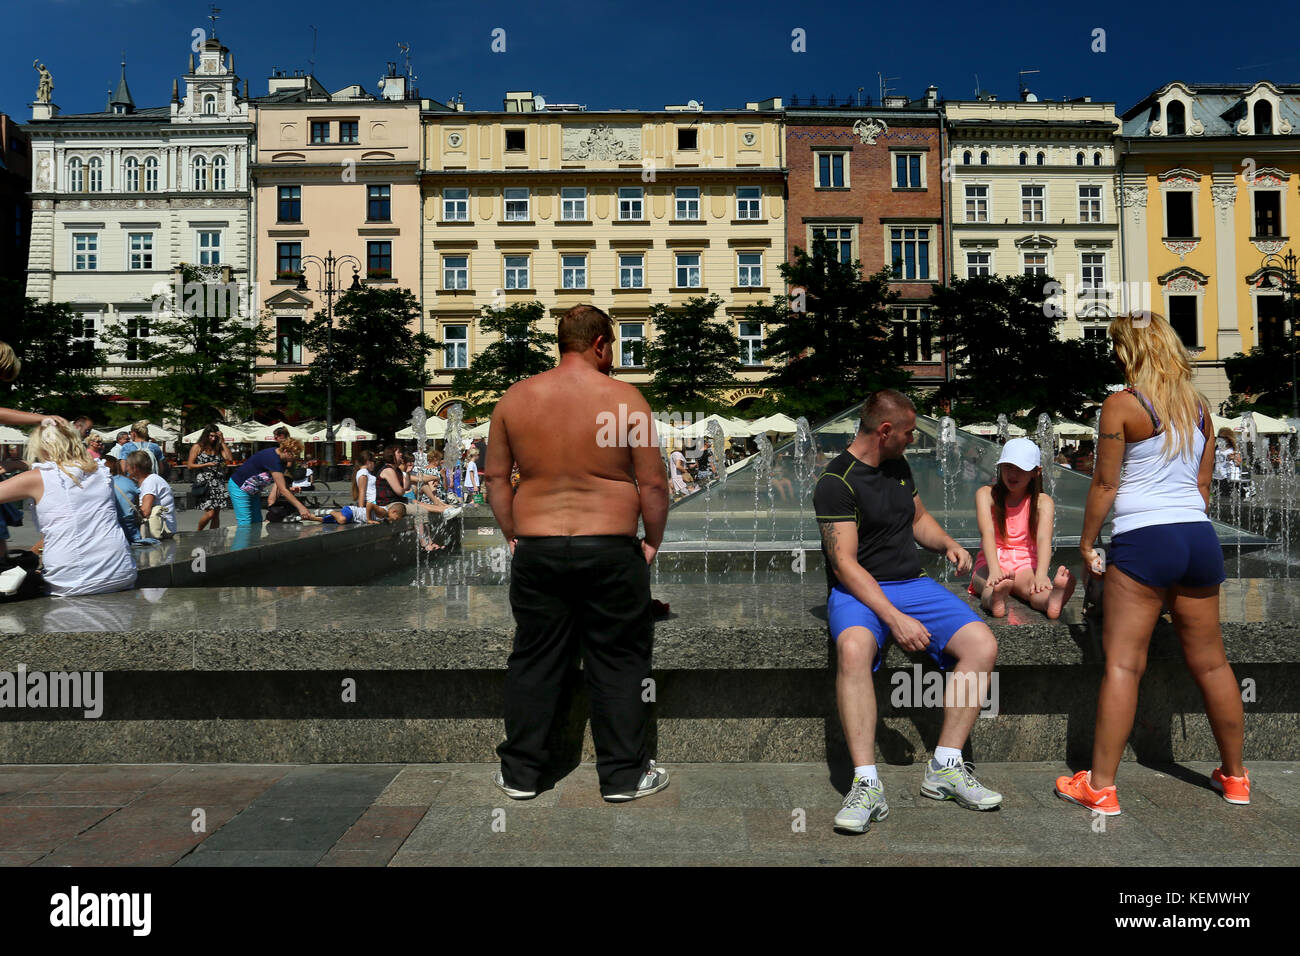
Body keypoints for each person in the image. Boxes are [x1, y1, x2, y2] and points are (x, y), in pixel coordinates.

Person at [1058, 312, 1247, 816]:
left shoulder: (1122, 404)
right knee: (1212, 662)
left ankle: (1100, 787)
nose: (1116, 355)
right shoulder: (1201, 410)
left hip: (1144, 539)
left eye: (1118, 346)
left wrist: (1086, 543)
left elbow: (1104, 484)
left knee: (1123, 665)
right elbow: (1203, 488)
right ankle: (1236, 778)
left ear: (1132, 351)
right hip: (1197, 537)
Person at [486, 303, 670, 802]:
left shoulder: (515, 399)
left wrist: (511, 533)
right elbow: (653, 484)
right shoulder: (627, 400)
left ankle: (522, 774)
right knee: (619, 660)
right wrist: (651, 539)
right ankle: (623, 777)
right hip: (609, 546)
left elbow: (495, 480)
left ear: (559, 343)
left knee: (535, 657)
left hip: (539, 545)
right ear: (600, 345)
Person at [814, 388, 1002, 834]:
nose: (913, 439)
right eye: (908, 431)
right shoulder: (835, 482)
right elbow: (844, 564)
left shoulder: (897, 466)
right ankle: (866, 784)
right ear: (884, 431)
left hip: (912, 585)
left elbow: (917, 519)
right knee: (855, 647)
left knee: (982, 643)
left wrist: (950, 543)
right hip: (858, 589)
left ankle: (946, 766)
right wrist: (894, 619)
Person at [0, 418, 136, 596]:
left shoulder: (37, 478)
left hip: (73, 577)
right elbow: (67, 470)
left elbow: (52, 473)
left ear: (41, 447)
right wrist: (24, 465)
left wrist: (17, 466)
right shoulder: (101, 472)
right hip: (120, 569)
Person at [970, 437, 1076, 619]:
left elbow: (1044, 539)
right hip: (991, 560)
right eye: (1008, 467)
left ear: (1036, 472)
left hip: (1024, 562)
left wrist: (1042, 574)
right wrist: (995, 570)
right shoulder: (986, 494)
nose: (1013, 474)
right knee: (988, 585)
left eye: (1020, 469)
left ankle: (1052, 600)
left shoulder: (1043, 502)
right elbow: (987, 533)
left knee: (1033, 588)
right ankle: (996, 598)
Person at [226, 437, 313, 525]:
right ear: (286, 450)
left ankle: (254, 539)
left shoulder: (282, 461)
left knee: (257, 522)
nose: (295, 458)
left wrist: (289, 490)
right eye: (295, 455)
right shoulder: (273, 459)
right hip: (239, 486)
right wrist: (301, 507)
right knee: (245, 522)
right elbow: (283, 489)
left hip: (253, 490)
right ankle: (241, 539)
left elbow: (281, 486)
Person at [188, 425, 235, 531]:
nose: (213, 439)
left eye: (215, 436)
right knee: (210, 513)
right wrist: (206, 464)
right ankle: (199, 532)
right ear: (206, 435)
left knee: (216, 514)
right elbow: (190, 465)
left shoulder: (218, 448)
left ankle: (213, 537)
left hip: (218, 482)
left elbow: (229, 458)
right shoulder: (198, 447)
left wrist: (222, 442)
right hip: (205, 483)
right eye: (211, 436)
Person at [125, 450, 176, 540]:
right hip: (160, 529)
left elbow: (145, 511)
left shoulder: (150, 482)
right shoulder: (148, 480)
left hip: (160, 530)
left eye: (128, 465)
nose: (126, 468)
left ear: (135, 467)